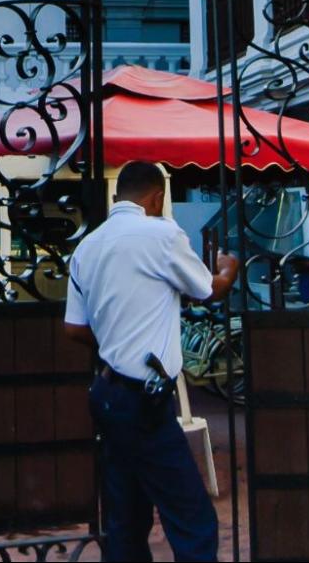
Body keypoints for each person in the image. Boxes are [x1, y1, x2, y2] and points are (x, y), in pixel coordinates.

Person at [63, 161, 239, 562]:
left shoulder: (88, 246)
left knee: (126, 517)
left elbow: (74, 328)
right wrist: (228, 270)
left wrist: (114, 340)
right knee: (193, 520)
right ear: (157, 197)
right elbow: (208, 290)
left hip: (107, 392)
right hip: (144, 399)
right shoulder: (161, 234)